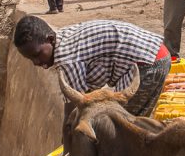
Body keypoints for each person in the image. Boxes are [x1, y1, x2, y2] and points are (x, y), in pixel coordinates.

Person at [13, 16, 171, 119]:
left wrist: (67, 146)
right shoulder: (61, 37)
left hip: (148, 64)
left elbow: (78, 106)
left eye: (37, 54)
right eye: (30, 59)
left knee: (120, 125)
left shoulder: (67, 59)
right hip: (151, 55)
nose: (36, 62)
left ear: (50, 39)